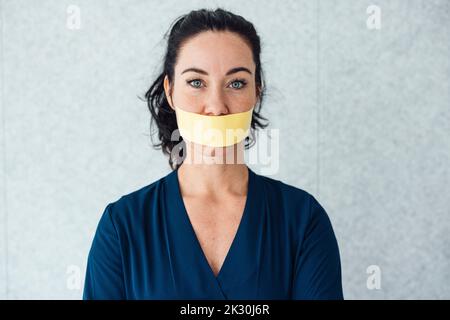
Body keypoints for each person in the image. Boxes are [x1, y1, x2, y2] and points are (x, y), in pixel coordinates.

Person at [83, 8, 343, 300]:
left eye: (236, 83)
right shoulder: (122, 226)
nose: (216, 106)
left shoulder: (302, 220)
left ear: (257, 92)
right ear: (171, 92)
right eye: (196, 82)